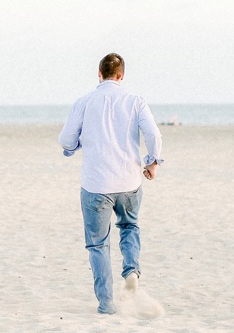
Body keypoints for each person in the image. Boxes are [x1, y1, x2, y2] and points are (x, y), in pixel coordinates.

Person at [59, 52, 163, 315]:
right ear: (121, 75)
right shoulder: (135, 101)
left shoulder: (84, 102)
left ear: (99, 73)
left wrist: (76, 145)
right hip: (129, 180)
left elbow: (66, 140)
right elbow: (153, 134)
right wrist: (152, 163)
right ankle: (131, 271)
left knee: (97, 244)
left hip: (96, 184)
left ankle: (106, 304)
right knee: (129, 226)